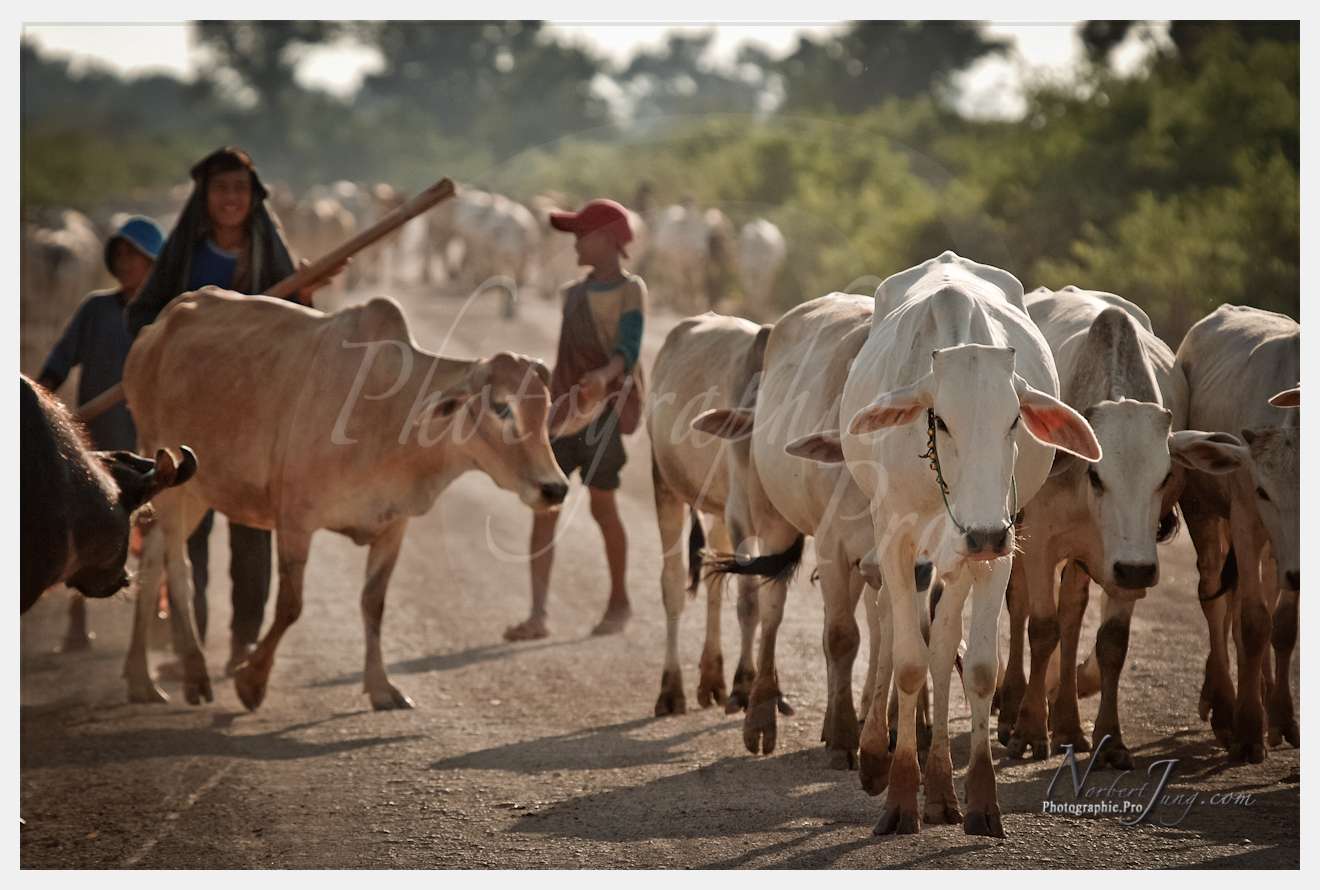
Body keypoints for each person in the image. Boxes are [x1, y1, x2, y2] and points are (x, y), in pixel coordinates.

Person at [126, 146, 341, 675]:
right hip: (190, 413)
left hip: (257, 416)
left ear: (253, 199)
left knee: (254, 530)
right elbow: (145, 319)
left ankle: (244, 642)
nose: (230, 200)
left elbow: (302, 331)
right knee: (184, 532)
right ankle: (186, 642)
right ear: (205, 198)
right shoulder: (186, 254)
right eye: (221, 190)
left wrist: (304, 295)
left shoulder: (269, 253)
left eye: (239, 191)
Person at [505, 198, 646, 641]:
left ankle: (619, 601)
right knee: (544, 508)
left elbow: (629, 347)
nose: (576, 245)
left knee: (604, 508)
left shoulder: (631, 290)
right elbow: (565, 358)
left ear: (606, 240)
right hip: (565, 416)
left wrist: (602, 379)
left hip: (603, 415)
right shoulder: (573, 294)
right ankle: (537, 614)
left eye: (581, 236)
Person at [38, 215, 165, 652]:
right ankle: (77, 622)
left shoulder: (167, 318)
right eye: (121, 255)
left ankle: (157, 616)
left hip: (149, 440)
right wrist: (36, 413)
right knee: (86, 531)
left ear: (154, 264)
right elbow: (57, 364)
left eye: (137, 256)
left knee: (155, 529)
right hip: (95, 440)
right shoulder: (95, 309)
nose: (127, 264)